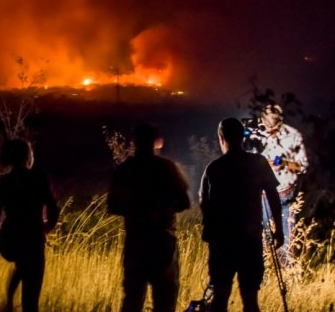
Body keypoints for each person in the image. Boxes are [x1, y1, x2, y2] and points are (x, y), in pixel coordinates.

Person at [200, 118, 284, 312]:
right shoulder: (258, 163)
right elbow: (273, 195)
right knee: (250, 299)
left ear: (221, 138)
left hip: (222, 243)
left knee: (220, 298)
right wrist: (278, 229)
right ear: (242, 137)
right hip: (250, 240)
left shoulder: (214, 168)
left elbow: (205, 203)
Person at [108, 124, 190, 312]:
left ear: (134, 142)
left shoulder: (125, 170)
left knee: (133, 298)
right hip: (163, 241)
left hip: (136, 242)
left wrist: (137, 212)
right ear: (155, 141)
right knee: (165, 300)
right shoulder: (167, 168)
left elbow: (113, 206)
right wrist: (162, 211)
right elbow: (184, 202)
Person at [0, 139, 59, 312]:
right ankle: (11, 303)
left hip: (9, 240)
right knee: (31, 299)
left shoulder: (3, 183)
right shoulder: (39, 179)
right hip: (33, 239)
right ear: (28, 156)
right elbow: (53, 209)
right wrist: (46, 228)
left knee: (22, 264)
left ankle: (9, 303)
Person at [248, 104, 308, 261]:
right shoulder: (257, 135)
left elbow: (302, 167)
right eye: (267, 127)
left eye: (274, 128)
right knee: (264, 242)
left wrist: (283, 163)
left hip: (285, 197)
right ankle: (266, 278)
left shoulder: (293, 136)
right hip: (264, 198)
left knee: (287, 244)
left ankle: (288, 273)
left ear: (280, 123)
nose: (270, 132)